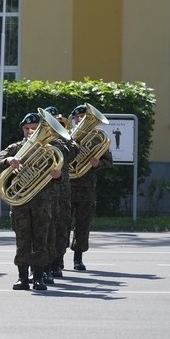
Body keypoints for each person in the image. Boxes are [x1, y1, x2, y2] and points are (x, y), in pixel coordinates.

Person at [0, 112, 58, 291]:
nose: (30, 132)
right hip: (20, 202)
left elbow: (61, 173)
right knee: (22, 241)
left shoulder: (49, 149)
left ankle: (38, 277)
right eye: (27, 128)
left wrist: (56, 174)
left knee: (40, 240)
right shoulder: (15, 148)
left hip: (41, 203)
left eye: (35, 129)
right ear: (23, 129)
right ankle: (22, 278)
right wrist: (8, 160)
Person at [69, 104, 113, 271]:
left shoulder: (97, 139)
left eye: (84, 117)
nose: (81, 120)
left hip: (87, 188)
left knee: (83, 224)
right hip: (68, 186)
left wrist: (98, 163)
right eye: (78, 117)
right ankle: (57, 259)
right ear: (73, 119)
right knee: (61, 224)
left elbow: (109, 161)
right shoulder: (67, 138)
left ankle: (78, 259)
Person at [42, 106, 78, 284]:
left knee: (61, 230)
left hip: (62, 193)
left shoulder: (63, 142)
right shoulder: (37, 141)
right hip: (43, 192)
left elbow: (74, 152)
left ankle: (57, 263)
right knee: (46, 231)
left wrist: (65, 135)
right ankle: (45, 266)